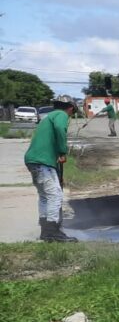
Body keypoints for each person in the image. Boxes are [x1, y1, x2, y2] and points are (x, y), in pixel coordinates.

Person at [25, 95, 78, 242]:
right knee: (55, 195)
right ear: (70, 108)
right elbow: (60, 128)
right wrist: (62, 151)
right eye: (72, 113)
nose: (70, 116)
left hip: (32, 159)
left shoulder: (48, 116)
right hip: (42, 161)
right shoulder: (61, 115)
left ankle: (45, 229)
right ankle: (52, 232)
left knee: (44, 196)